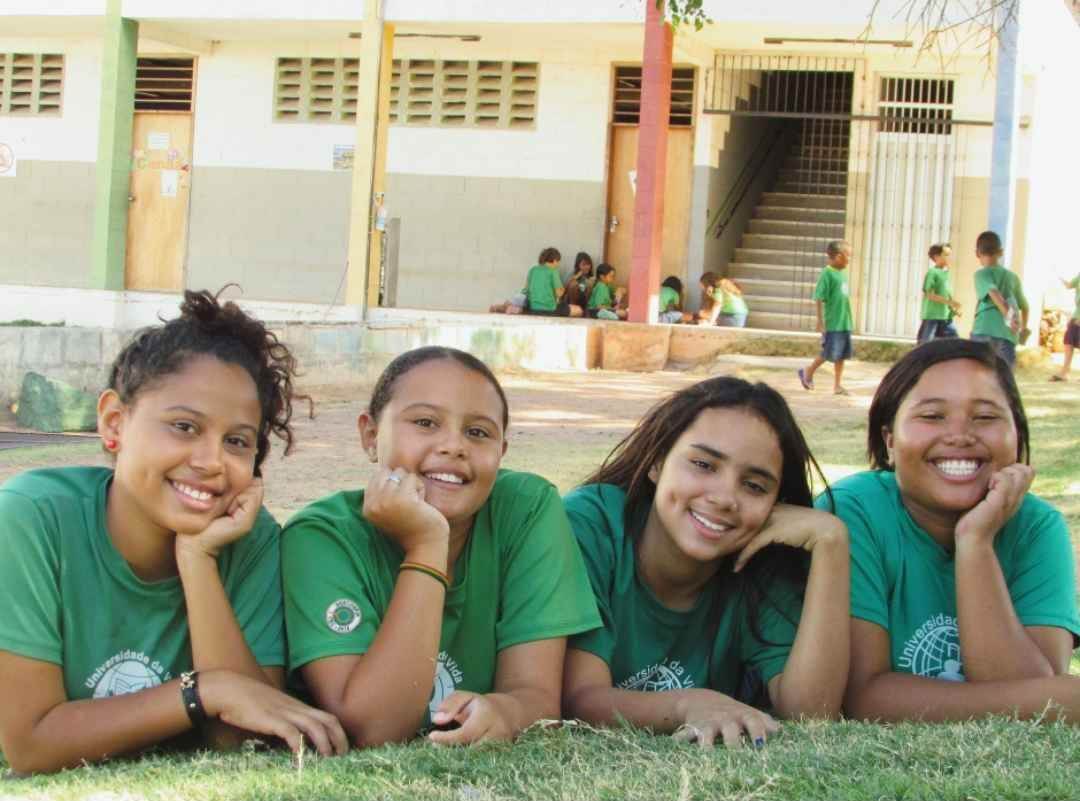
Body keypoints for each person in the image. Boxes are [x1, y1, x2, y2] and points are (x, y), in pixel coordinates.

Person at [0, 290, 347, 774]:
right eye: (184, 426)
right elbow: (32, 745)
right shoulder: (32, 518)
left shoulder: (250, 539)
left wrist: (198, 561)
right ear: (113, 422)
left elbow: (243, 738)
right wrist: (204, 690)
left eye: (237, 441)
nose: (210, 461)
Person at [282, 347, 601, 748]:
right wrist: (426, 545)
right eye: (425, 422)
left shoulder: (526, 509)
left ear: (502, 451)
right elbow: (372, 728)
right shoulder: (321, 537)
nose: (454, 446)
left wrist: (506, 712)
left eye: (478, 432)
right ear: (370, 434)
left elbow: (535, 696)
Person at [562, 377, 850, 748]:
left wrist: (831, 545)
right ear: (656, 462)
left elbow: (813, 714)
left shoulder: (761, 562)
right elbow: (578, 700)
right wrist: (690, 703)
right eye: (703, 464)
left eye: (755, 486)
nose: (725, 497)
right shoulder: (592, 525)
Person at [820, 338, 1080, 723]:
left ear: (1017, 438)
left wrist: (975, 542)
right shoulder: (850, 511)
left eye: (986, 417)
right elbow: (863, 694)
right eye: (932, 416)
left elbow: (1030, 688)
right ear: (890, 441)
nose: (960, 435)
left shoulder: (1037, 527)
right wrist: (1043, 698)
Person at [798, 241, 854, 396]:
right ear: (838, 256)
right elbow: (819, 298)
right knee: (829, 352)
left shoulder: (842, 273)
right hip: (833, 322)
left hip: (844, 321)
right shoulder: (827, 273)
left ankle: (837, 385)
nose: (850, 259)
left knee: (841, 354)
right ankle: (807, 372)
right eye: (848, 256)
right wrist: (820, 321)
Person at [970, 231, 1029, 369]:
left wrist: (1009, 317)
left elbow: (993, 292)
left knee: (977, 373)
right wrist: (1023, 328)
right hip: (1007, 335)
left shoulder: (981, 274)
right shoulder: (1012, 277)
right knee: (1005, 379)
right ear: (1001, 252)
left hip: (984, 330)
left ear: (977, 253)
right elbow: (1025, 306)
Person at [917, 244, 961, 344]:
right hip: (932, 317)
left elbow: (946, 292)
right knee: (924, 346)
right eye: (946, 255)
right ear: (936, 257)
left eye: (950, 255)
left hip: (946, 317)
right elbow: (929, 295)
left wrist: (953, 308)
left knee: (956, 344)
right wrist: (950, 302)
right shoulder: (932, 272)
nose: (950, 258)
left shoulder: (946, 273)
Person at [523, 247, 583, 318]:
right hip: (550, 309)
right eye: (558, 262)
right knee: (579, 310)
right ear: (555, 260)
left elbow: (526, 289)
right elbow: (559, 294)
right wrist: (564, 289)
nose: (558, 265)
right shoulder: (553, 271)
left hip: (533, 308)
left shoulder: (533, 270)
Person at [1050, 272, 1079, 382]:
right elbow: (1069, 285)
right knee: (1068, 342)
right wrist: (1060, 276)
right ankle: (1064, 372)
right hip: (1076, 315)